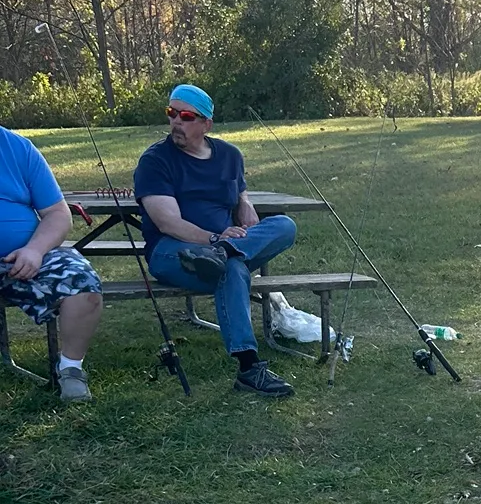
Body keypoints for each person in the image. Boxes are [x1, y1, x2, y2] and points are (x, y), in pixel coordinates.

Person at [133, 84, 298, 398]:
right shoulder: (155, 160)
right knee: (232, 269)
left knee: (285, 225)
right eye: (171, 113)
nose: (176, 122)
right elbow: (167, 222)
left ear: (206, 124)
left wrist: (244, 203)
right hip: (172, 250)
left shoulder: (229, 155)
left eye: (186, 116)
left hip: (223, 246)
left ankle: (222, 253)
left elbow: (237, 190)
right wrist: (212, 239)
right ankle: (249, 368)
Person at [0, 125, 103, 401]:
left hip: (24, 253)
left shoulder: (18, 148)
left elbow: (58, 213)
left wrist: (35, 250)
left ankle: (71, 370)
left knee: (82, 283)